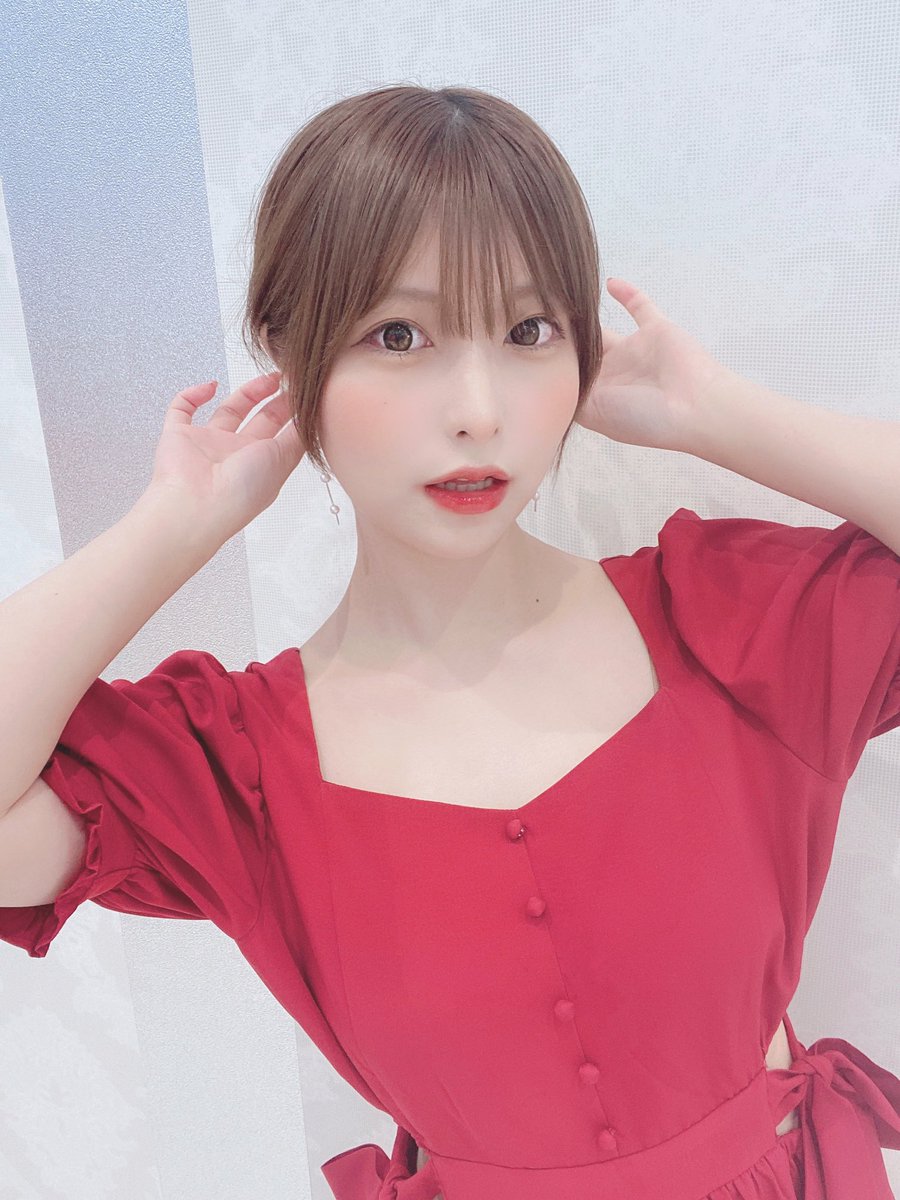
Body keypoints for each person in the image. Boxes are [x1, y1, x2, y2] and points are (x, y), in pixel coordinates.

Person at [1, 84, 899, 1200]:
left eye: (528, 333)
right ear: (290, 349)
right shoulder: (235, 770)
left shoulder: (731, 627)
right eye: (399, 336)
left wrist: (715, 410)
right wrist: (174, 526)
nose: (478, 408)